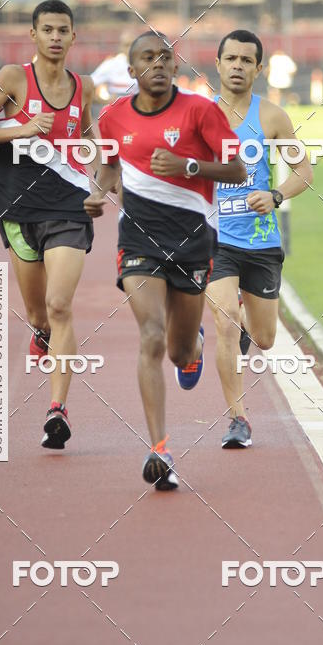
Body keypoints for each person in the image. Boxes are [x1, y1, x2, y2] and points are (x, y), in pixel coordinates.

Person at [85, 31, 246, 490]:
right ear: (131, 70)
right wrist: (98, 193)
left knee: (178, 349)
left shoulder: (201, 111)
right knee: (151, 336)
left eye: (165, 58)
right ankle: (159, 448)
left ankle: (192, 342)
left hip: (194, 242)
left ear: (175, 67)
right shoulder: (113, 116)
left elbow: (237, 170)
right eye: (146, 58)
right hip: (138, 240)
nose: (157, 64)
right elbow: (111, 166)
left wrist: (188, 167)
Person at [0, 0, 97, 450]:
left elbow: (93, 139)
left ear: (74, 37)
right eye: (48, 30)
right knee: (40, 315)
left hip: (69, 209)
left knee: (60, 306)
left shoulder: (85, 87)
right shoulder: (13, 78)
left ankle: (57, 410)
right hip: (18, 209)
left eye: (64, 30)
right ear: (34, 36)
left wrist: (101, 181)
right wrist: (18, 130)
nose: (56, 37)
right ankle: (40, 333)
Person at [206, 29, 313, 449]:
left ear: (258, 68)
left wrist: (276, 194)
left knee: (264, 338)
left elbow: (304, 169)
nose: (237, 66)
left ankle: (250, 328)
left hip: (261, 242)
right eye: (230, 58)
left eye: (245, 60)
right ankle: (238, 419)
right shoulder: (199, 115)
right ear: (217, 64)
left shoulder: (271, 116)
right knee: (225, 323)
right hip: (215, 239)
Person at [90, 31, 137, 103]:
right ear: (121, 47)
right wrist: (102, 100)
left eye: (133, 44)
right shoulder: (111, 64)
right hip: (117, 106)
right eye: (127, 45)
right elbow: (90, 84)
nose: (130, 48)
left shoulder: (145, 65)